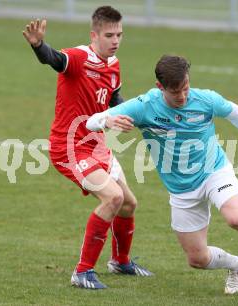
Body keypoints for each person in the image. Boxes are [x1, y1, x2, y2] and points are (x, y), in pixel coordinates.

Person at [86, 55, 238, 297]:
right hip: (181, 189)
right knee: (197, 259)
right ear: (160, 88)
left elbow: (235, 112)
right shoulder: (144, 106)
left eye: (186, 88)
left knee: (237, 219)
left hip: (214, 171)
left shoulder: (205, 99)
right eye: (176, 92)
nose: (183, 96)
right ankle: (236, 265)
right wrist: (108, 119)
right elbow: (91, 122)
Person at [22, 6, 152, 290]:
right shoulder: (80, 57)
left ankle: (120, 261)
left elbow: (115, 98)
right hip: (68, 147)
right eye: (109, 35)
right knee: (113, 198)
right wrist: (39, 45)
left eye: (119, 34)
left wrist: (140, 118)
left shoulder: (114, 64)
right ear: (94, 35)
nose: (115, 40)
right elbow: (54, 59)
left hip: (96, 146)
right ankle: (82, 272)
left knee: (129, 203)